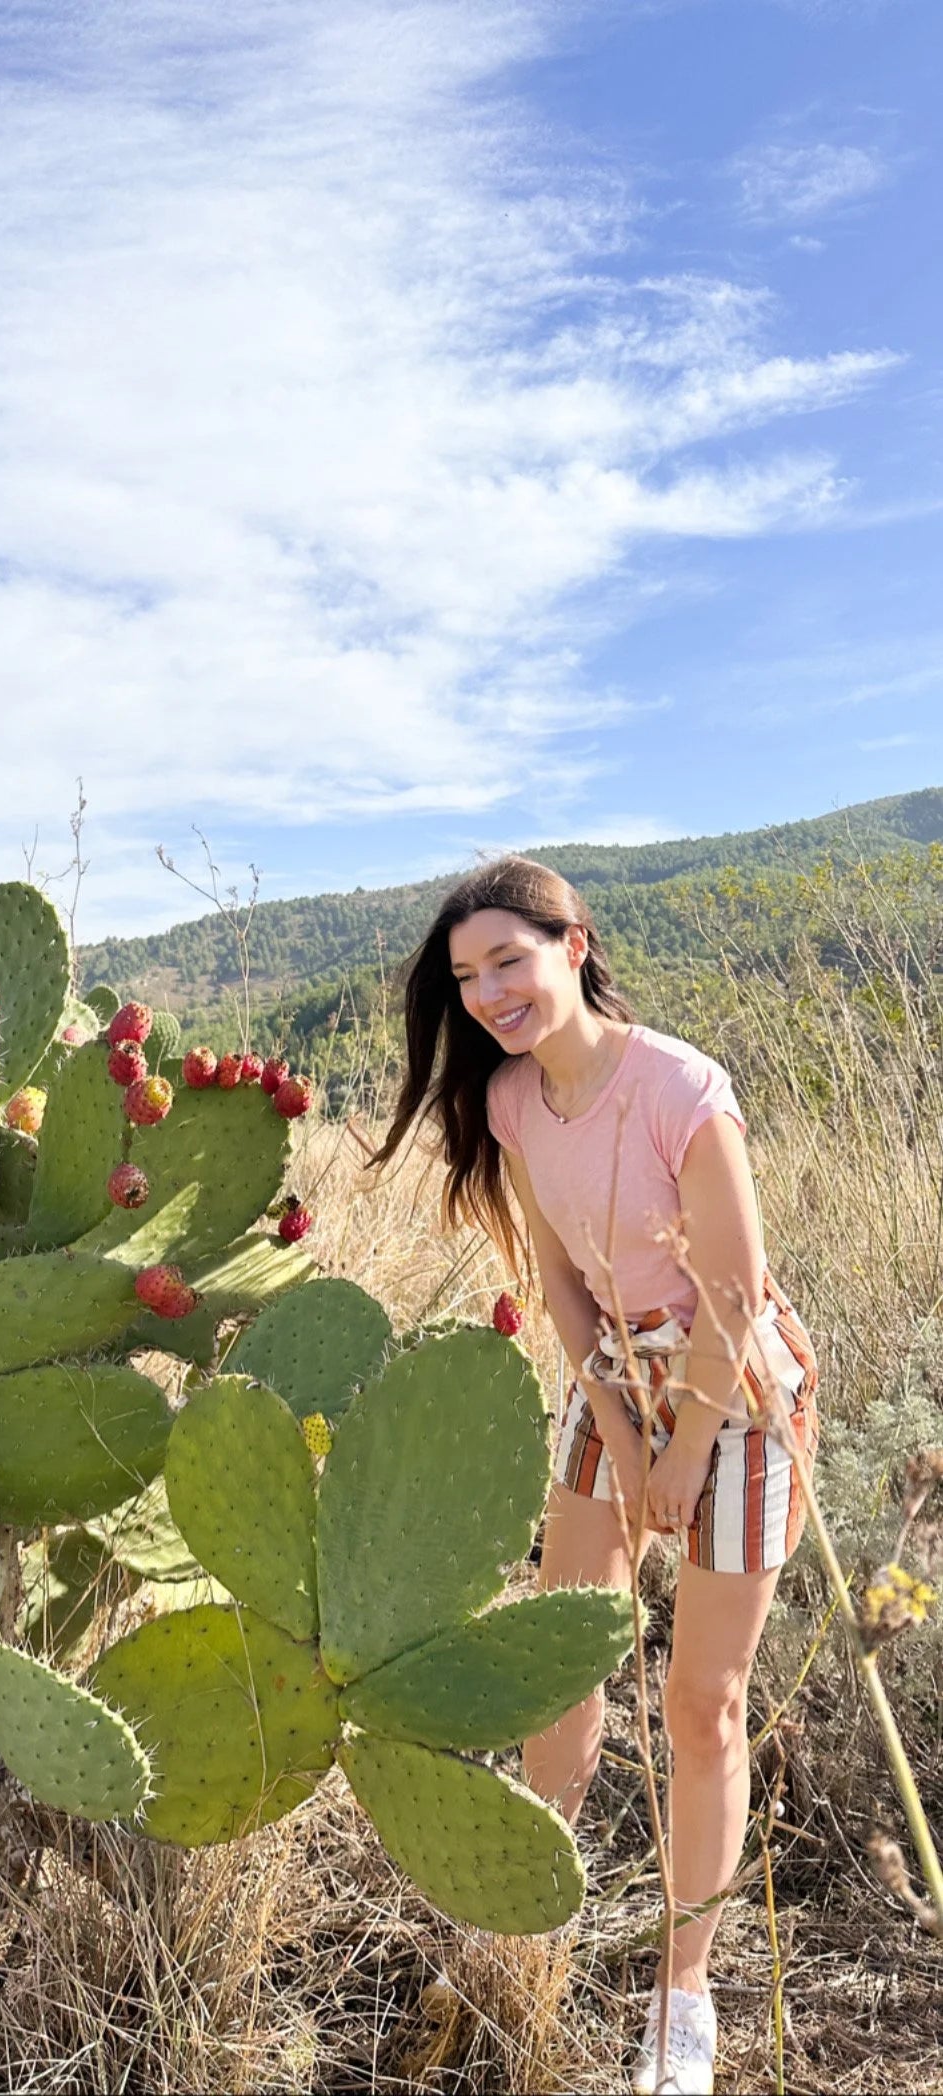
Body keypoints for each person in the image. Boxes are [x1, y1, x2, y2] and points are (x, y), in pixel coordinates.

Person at [371, 855, 818, 2096]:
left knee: (702, 1702)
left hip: (737, 1393)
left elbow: (733, 1297)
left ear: (576, 943)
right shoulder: (514, 1101)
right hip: (613, 1382)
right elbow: (563, 1282)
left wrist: (683, 1446)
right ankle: (527, 1913)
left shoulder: (683, 1088)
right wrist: (621, 1432)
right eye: (466, 976)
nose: (488, 992)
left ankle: (684, 1995)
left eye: (508, 959)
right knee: (562, 1656)